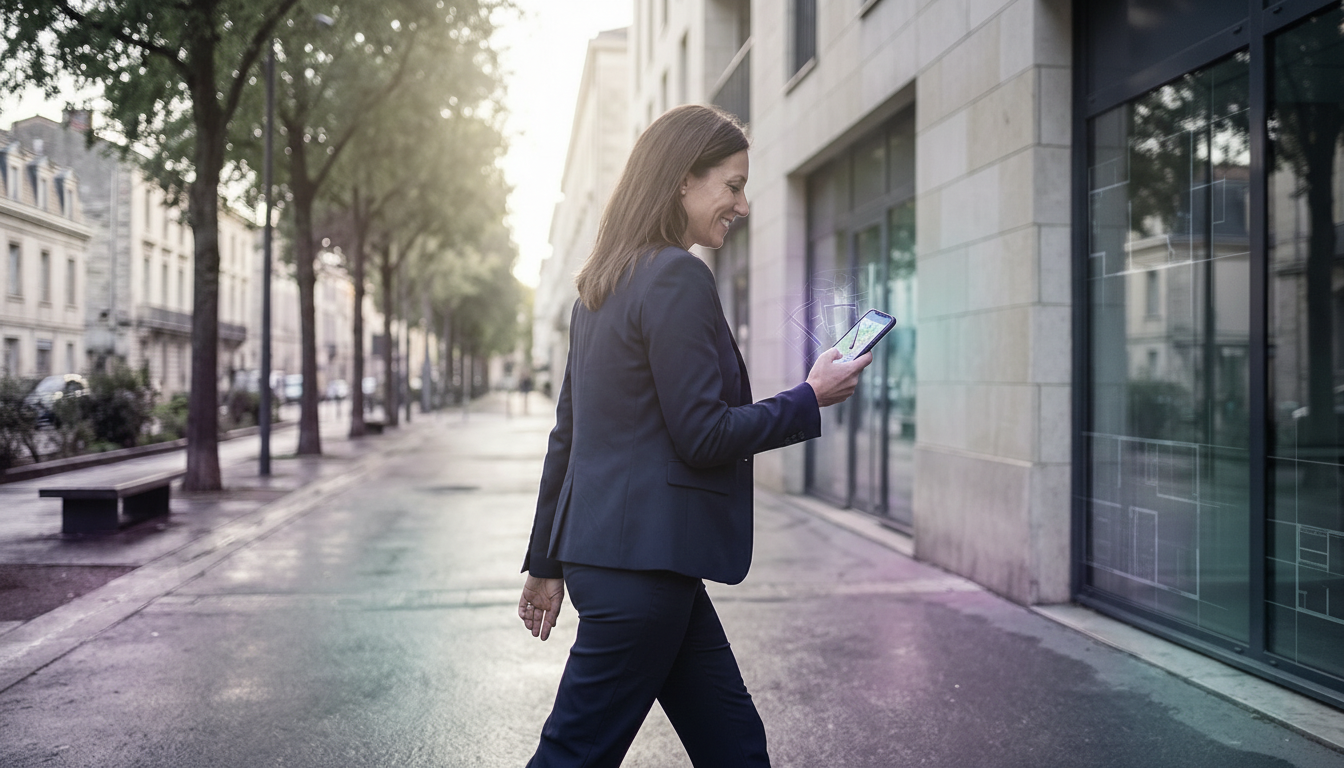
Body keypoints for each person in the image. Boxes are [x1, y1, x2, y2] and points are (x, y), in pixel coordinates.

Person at [519, 104, 871, 768]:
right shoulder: (676, 275)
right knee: (573, 756)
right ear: (683, 179)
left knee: (735, 748)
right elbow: (703, 435)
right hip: (643, 574)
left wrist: (546, 562)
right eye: (732, 185)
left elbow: (569, 438)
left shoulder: (600, 289)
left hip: (632, 566)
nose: (743, 204)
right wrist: (809, 396)